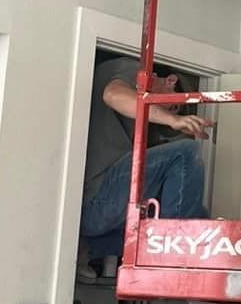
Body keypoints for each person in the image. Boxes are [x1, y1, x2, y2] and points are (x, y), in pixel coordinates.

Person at [79, 56, 212, 278]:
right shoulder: (134, 69)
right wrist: (172, 120)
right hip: (95, 200)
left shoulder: (131, 123)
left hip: (88, 222)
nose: (171, 109)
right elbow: (112, 95)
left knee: (197, 214)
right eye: (175, 105)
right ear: (170, 80)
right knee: (186, 152)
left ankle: (86, 252)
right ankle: (173, 252)